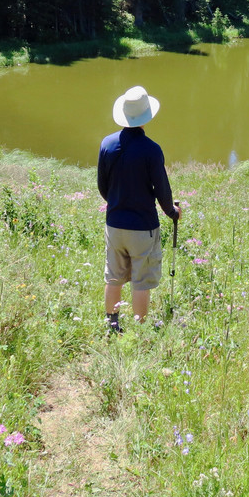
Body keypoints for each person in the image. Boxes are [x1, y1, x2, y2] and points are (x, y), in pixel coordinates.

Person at [97, 85, 180, 333]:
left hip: (114, 224)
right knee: (141, 280)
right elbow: (162, 191)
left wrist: (117, 203)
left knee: (114, 276)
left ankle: (113, 326)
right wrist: (172, 213)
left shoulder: (107, 144)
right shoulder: (151, 150)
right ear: (146, 116)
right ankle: (140, 330)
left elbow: (103, 187)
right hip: (143, 227)